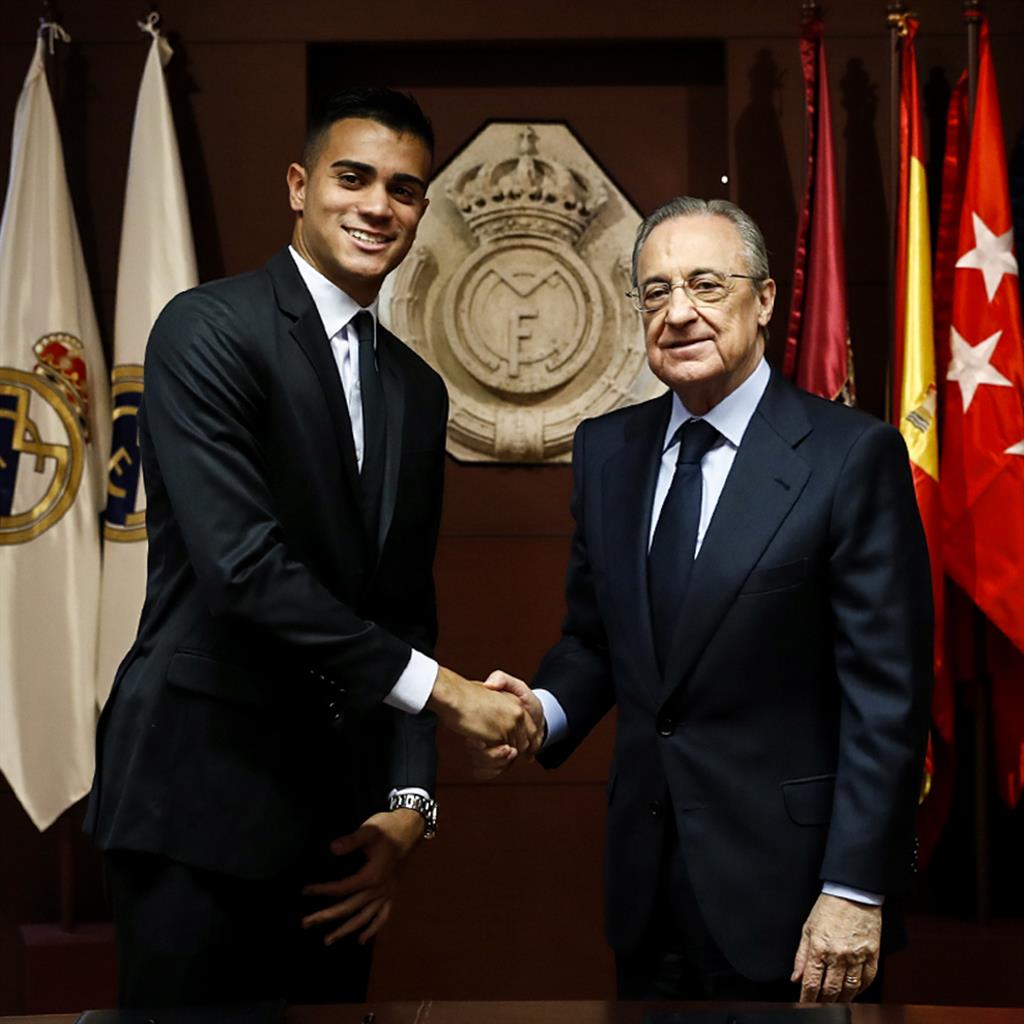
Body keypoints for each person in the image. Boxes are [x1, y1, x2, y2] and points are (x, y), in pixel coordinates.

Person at [85, 87, 537, 1008]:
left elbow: (402, 609)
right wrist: (451, 695)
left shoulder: (416, 390)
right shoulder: (206, 328)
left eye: (403, 189)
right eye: (353, 178)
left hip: (339, 839)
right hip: (195, 807)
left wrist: (409, 804)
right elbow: (244, 572)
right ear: (299, 186)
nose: (378, 206)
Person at [474, 197, 933, 1004]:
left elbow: (887, 696)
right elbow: (596, 639)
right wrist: (543, 709)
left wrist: (855, 889)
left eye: (706, 285)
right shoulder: (606, 451)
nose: (678, 312)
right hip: (646, 891)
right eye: (655, 292)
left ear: (764, 300)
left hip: (797, 901)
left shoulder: (851, 456)